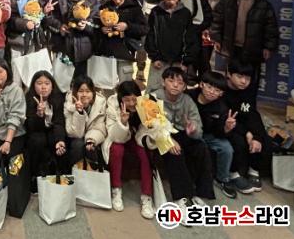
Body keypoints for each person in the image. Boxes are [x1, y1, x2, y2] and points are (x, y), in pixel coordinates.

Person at [145, 67, 215, 213]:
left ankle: (198, 193)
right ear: (163, 82)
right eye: (171, 81)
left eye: (180, 83)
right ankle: (180, 197)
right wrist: (168, 140)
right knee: (175, 152)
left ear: (184, 87)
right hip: (156, 137)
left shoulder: (188, 101)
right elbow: (151, 127)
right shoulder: (151, 98)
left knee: (201, 147)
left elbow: (198, 129)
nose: (175, 85)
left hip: (181, 134)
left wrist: (193, 130)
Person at [210, 0, 279, 105]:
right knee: (231, 78)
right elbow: (216, 21)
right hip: (232, 48)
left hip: (254, 49)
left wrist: (268, 47)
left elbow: (271, 28)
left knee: (250, 80)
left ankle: (248, 107)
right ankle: (229, 106)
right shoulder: (227, 1)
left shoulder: (263, 4)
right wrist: (217, 39)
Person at [188, 71, 252, 198]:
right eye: (209, 87)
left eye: (217, 90)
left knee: (226, 148)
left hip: (209, 134)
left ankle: (223, 179)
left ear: (221, 94)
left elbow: (219, 132)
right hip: (189, 132)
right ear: (201, 84)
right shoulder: (189, 96)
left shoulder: (221, 108)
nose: (212, 92)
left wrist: (226, 128)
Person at [102, 80, 154, 218]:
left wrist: (149, 124)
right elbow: (114, 136)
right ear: (120, 98)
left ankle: (146, 196)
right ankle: (116, 189)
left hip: (137, 136)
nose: (131, 103)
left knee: (144, 152)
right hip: (118, 137)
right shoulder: (112, 105)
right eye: (127, 100)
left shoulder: (145, 104)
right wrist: (123, 122)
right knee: (117, 149)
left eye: (134, 99)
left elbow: (146, 132)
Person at [223, 59, 272, 191]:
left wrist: (256, 136)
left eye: (247, 78)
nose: (244, 81)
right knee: (238, 141)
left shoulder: (248, 91)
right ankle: (233, 174)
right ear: (229, 74)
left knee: (263, 138)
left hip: (243, 124)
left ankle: (254, 170)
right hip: (226, 125)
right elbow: (225, 118)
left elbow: (252, 114)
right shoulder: (221, 89)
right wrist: (247, 133)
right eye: (239, 76)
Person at [44, 0, 99, 78]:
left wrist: (86, 26)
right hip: (62, 44)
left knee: (81, 81)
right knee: (61, 81)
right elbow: (50, 19)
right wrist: (59, 26)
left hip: (84, 46)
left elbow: (97, 21)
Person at [145, 0, 198, 94]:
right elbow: (150, 35)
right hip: (159, 61)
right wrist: (155, 57)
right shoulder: (155, 12)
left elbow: (190, 38)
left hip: (178, 62)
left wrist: (185, 62)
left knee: (175, 91)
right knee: (153, 91)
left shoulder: (185, 13)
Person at [94, 0, 149, 82]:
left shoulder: (134, 8)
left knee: (125, 83)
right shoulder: (104, 7)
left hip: (125, 52)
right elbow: (95, 26)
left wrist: (127, 26)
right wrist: (101, 29)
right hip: (107, 53)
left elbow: (144, 29)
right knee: (106, 84)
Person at [7, 0, 51, 86]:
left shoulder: (44, 0)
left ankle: (29, 95)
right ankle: (17, 95)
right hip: (18, 40)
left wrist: (46, 13)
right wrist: (24, 23)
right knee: (16, 72)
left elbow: (45, 24)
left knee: (31, 73)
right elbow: (10, 19)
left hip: (34, 41)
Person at [24, 71, 67, 189]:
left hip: (53, 132)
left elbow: (59, 123)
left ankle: (58, 180)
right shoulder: (29, 99)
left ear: (52, 86)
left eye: (47, 83)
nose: (43, 87)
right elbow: (30, 127)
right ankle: (35, 178)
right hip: (36, 134)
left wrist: (60, 140)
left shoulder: (58, 99)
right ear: (33, 86)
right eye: (39, 83)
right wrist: (39, 114)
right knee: (38, 140)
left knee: (59, 144)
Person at [0, 59, 27, 166]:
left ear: (7, 72)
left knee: (14, 161)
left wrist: (8, 141)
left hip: (15, 133)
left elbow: (16, 117)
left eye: (1, 71)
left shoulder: (17, 90)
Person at [176, 0, 213, 83]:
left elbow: (208, 17)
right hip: (175, 39)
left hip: (195, 39)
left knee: (194, 68)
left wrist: (195, 29)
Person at [64, 75, 107, 170]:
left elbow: (99, 127)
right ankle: (74, 173)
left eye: (88, 91)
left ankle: (93, 175)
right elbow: (75, 133)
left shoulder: (100, 103)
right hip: (74, 138)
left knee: (91, 148)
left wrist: (91, 140)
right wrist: (79, 112)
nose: (84, 94)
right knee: (78, 145)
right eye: (80, 91)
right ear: (75, 92)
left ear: (93, 92)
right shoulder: (69, 103)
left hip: (94, 138)